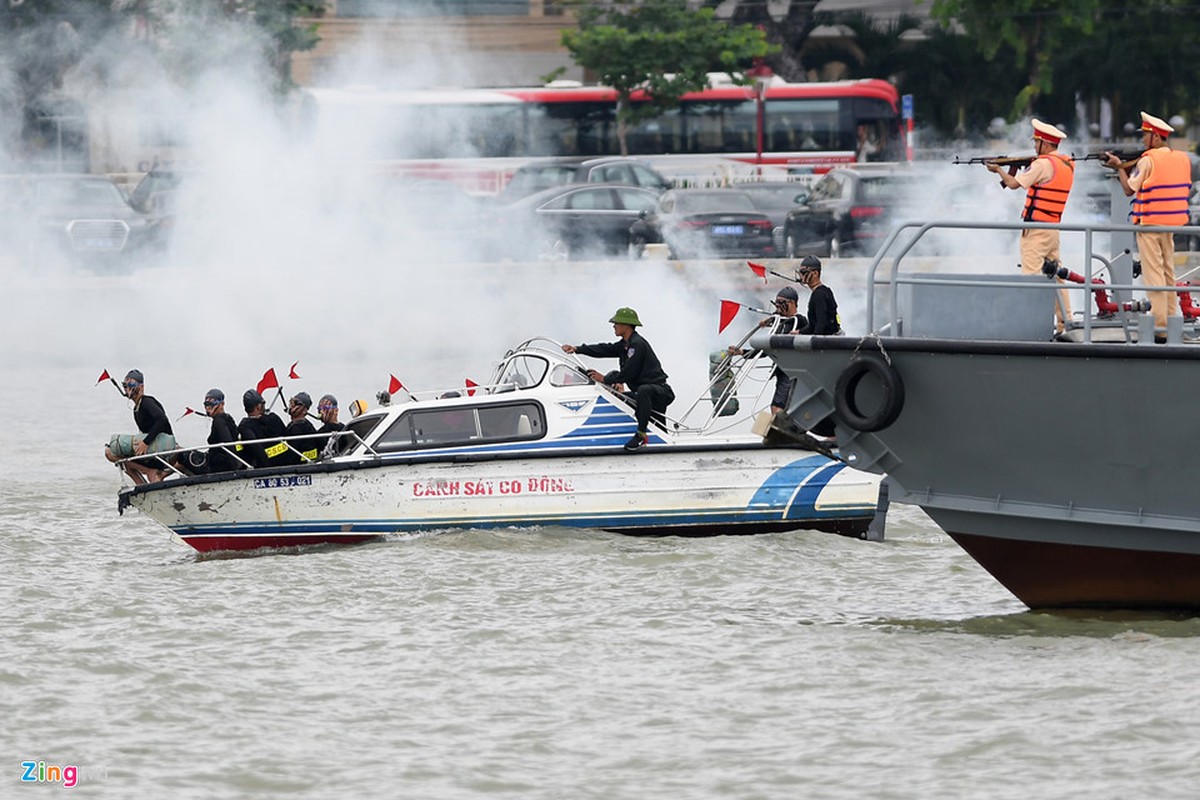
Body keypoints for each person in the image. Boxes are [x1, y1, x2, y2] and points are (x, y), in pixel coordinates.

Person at [1105, 111, 1192, 342]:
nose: (1143, 140)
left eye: (1145, 135)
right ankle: (1172, 320)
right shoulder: (1182, 158)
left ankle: (1160, 327)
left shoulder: (1148, 159)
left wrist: (1119, 167)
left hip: (1150, 224)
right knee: (1168, 274)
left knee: (1154, 276)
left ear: (1155, 136)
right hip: (1171, 224)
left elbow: (1128, 189)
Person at [986, 119, 1076, 334]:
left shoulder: (1042, 164)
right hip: (1052, 228)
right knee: (1056, 276)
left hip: (1036, 231)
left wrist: (999, 169)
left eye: (1037, 141)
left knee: (1031, 277)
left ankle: (1031, 326)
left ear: (1045, 143)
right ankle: (1066, 322)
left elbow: (1014, 184)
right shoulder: (1065, 163)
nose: (1035, 146)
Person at [562, 307, 675, 452]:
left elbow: (629, 373)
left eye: (616, 323)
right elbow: (604, 349)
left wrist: (604, 378)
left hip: (658, 392)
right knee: (620, 399)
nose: (614, 326)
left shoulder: (637, 345)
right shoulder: (625, 345)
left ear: (626, 325)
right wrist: (577, 349)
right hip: (644, 396)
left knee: (644, 390)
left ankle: (641, 435)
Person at [728, 285, 807, 415]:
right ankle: (782, 431)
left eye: (781, 303)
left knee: (779, 407)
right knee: (777, 407)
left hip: (794, 371)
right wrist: (741, 352)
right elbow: (767, 350)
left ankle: (785, 431)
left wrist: (772, 319)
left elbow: (799, 322)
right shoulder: (780, 323)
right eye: (776, 303)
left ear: (792, 303)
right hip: (782, 371)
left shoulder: (799, 321)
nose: (777, 307)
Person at [103, 369, 177, 484]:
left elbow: (162, 420)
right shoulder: (136, 409)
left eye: (131, 384)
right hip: (151, 451)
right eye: (125, 385)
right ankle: (142, 484)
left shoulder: (147, 402)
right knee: (111, 453)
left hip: (160, 451)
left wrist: (145, 442)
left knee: (111, 452)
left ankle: (150, 472)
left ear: (141, 387)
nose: (127, 388)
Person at [237, 388, 287, 468]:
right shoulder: (274, 418)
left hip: (265, 468)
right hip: (287, 464)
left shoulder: (245, 427)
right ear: (259, 407)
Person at [794, 255, 842, 335]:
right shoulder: (826, 291)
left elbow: (821, 322)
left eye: (804, 272)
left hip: (827, 341)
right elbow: (813, 325)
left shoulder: (819, 294)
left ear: (815, 273)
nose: (801, 276)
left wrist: (815, 342)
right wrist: (799, 332)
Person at [202, 388, 239, 474]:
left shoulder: (219, 421)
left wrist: (235, 469)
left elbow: (228, 444)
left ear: (222, 404)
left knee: (181, 458)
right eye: (207, 406)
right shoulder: (227, 418)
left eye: (211, 405)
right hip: (216, 460)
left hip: (220, 466)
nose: (208, 409)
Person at [282, 391, 319, 464]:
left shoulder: (299, 428)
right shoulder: (292, 426)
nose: (292, 405)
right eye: (291, 402)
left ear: (305, 410)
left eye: (296, 403)